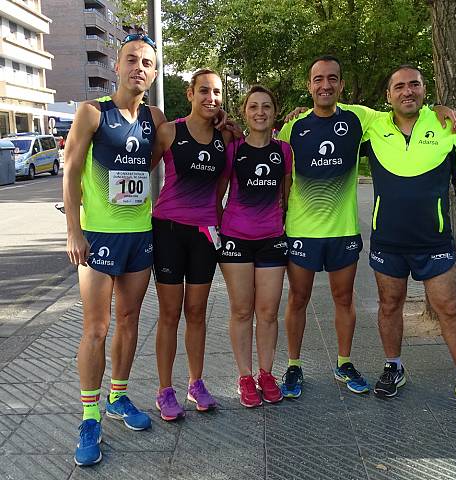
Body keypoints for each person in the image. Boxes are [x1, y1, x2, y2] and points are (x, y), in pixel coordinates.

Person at [277, 55, 456, 399]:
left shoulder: (362, 117)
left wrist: (439, 107)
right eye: (318, 79)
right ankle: (293, 365)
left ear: (341, 85)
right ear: (309, 86)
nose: (325, 85)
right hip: (301, 230)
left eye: (332, 78)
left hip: (344, 229)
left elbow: (407, 110)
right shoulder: (294, 125)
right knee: (298, 299)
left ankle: (344, 363)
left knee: (343, 299)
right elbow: (277, 167)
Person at [63, 33, 166, 466]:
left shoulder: (156, 118)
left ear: (154, 73)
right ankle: (90, 415)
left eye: (147, 62)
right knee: (97, 328)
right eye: (131, 60)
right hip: (99, 237)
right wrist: (73, 230)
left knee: (129, 319)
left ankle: (119, 397)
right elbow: (69, 171)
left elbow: (155, 160)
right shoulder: (92, 113)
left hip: (139, 235)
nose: (138, 67)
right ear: (117, 66)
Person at [360, 65, 456, 409]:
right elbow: (330, 118)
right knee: (389, 306)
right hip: (388, 241)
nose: (407, 91)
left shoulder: (447, 125)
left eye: (414, 85)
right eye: (399, 86)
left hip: (435, 241)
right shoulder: (373, 127)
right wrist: (297, 115)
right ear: (388, 95)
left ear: (424, 91)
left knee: (450, 308)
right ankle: (393, 367)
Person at [152, 69, 232, 421]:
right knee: (170, 314)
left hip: (204, 236)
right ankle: (164, 390)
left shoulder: (226, 137)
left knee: (197, 312)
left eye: (216, 93)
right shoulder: (170, 131)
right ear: (190, 94)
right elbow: (138, 170)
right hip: (168, 230)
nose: (210, 98)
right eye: (204, 91)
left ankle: (195, 383)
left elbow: (221, 191)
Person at [218, 86, 292, 407]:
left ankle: (266, 373)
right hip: (236, 239)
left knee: (268, 312)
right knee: (241, 310)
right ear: (245, 112)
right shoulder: (234, 149)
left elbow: (286, 196)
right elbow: (217, 193)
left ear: (275, 112)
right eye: (253, 107)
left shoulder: (284, 151)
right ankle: (245, 376)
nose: (260, 112)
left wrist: (279, 224)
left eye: (266, 106)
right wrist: (223, 230)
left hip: (272, 240)